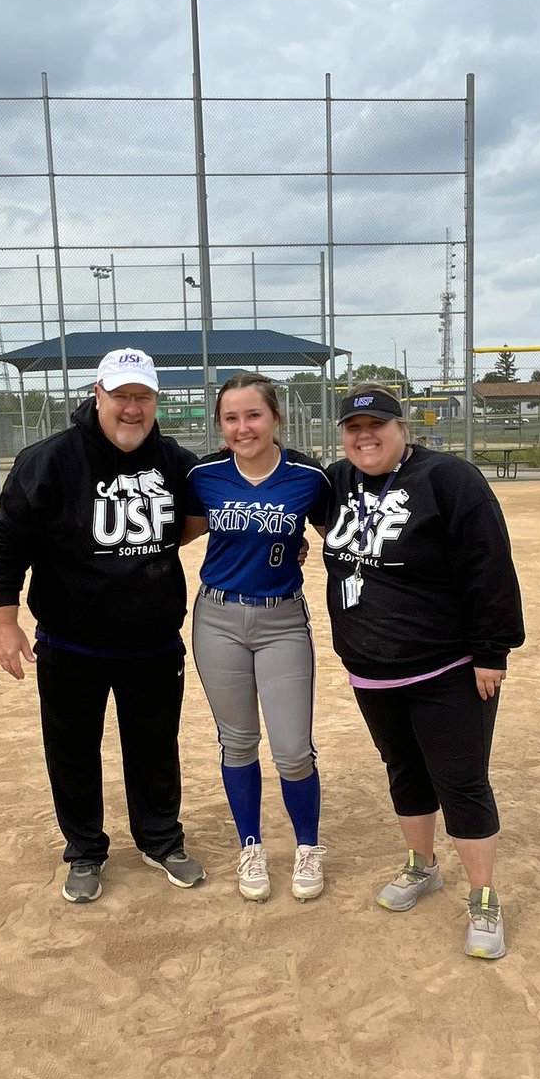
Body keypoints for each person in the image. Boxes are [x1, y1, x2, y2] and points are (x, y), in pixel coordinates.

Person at [0, 348, 206, 903]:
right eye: (122, 396)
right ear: (98, 393)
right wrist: (4, 623)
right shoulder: (50, 460)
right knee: (72, 749)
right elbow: (8, 543)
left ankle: (160, 839)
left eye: (143, 398)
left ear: (156, 402)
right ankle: (84, 849)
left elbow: (213, 509)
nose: (132, 409)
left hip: (153, 642)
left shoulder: (175, 461)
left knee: (155, 746)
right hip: (70, 640)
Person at [322, 385, 525, 958]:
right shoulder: (337, 483)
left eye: (377, 424)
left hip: (449, 666)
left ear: (401, 427)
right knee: (404, 770)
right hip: (370, 668)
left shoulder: (449, 480)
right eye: (354, 426)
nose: (365, 435)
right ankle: (423, 865)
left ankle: (484, 898)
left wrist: (493, 650)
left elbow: (489, 564)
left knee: (461, 780)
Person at [183, 373, 330, 903]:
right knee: (239, 741)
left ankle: (308, 846)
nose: (243, 428)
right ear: (220, 425)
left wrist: (304, 549)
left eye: (253, 415)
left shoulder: (307, 477)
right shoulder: (204, 475)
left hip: (283, 620)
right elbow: (174, 533)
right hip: (217, 618)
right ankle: (252, 845)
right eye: (231, 417)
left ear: (275, 419)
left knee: (293, 750)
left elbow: (339, 533)